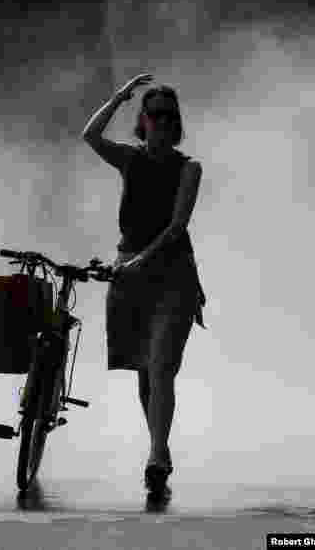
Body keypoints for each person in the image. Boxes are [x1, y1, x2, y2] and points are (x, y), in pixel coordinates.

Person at [80, 73, 207, 497]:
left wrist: (140, 260)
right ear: (144, 121)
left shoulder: (188, 167)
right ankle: (161, 447)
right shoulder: (129, 159)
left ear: (177, 124)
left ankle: (156, 455)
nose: (163, 123)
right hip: (130, 272)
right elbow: (90, 135)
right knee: (142, 369)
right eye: (155, 115)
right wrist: (119, 96)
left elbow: (178, 225)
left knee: (162, 367)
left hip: (173, 273)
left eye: (170, 116)